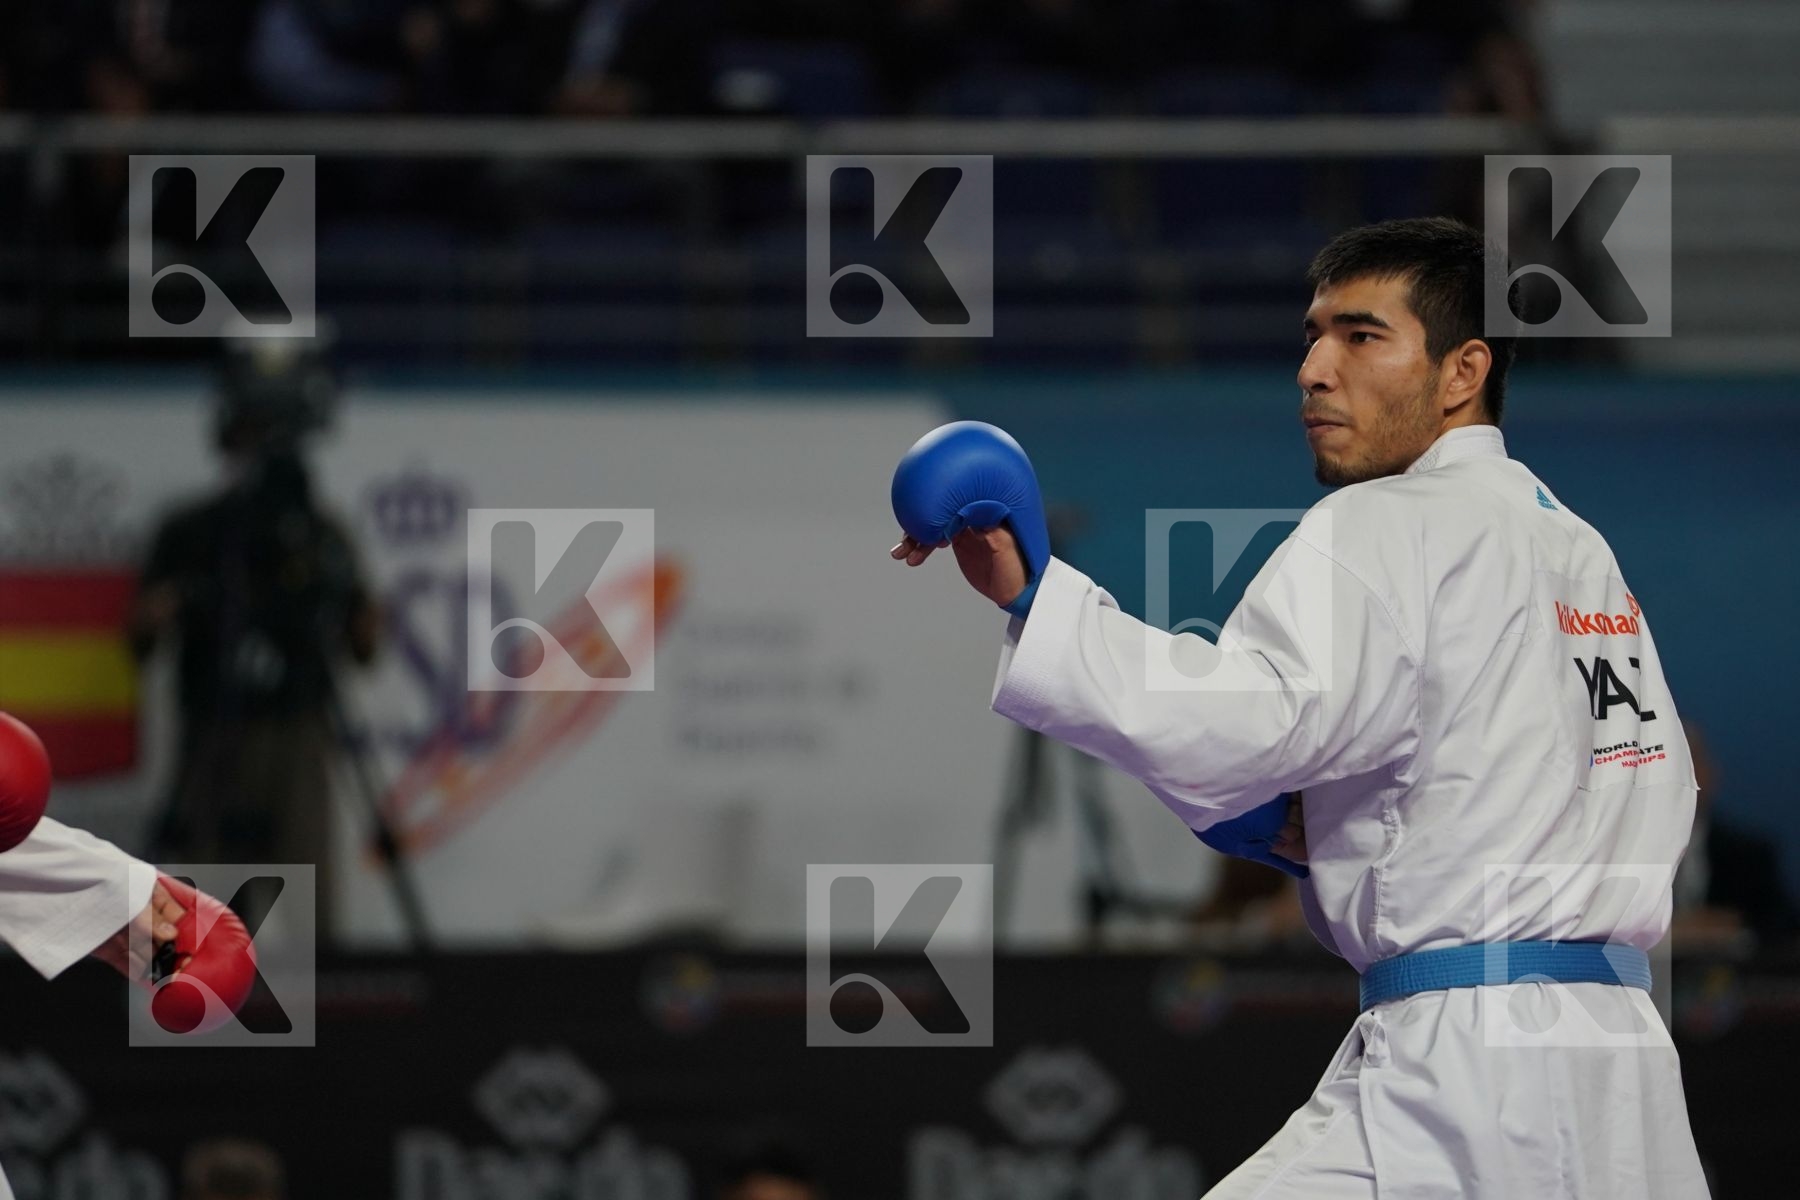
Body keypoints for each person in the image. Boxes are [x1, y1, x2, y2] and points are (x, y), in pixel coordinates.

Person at [891, 216, 1707, 1197]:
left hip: (1471, 1069)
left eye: (1361, 337)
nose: (1315, 369)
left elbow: (1246, 722)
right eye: (1313, 336)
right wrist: (1328, 826)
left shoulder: (1385, 523)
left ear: (1462, 372)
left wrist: (1034, 598)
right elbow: (1542, 786)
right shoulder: (1581, 553)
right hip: (1623, 1066)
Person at [132, 337, 378, 942]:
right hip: (214, 729)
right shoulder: (192, 531)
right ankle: (197, 1016)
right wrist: (177, 604)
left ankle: (331, 1016)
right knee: (204, 926)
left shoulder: (320, 535)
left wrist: (356, 607)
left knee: (315, 914)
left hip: (299, 729)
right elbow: (138, 641)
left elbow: (363, 646)